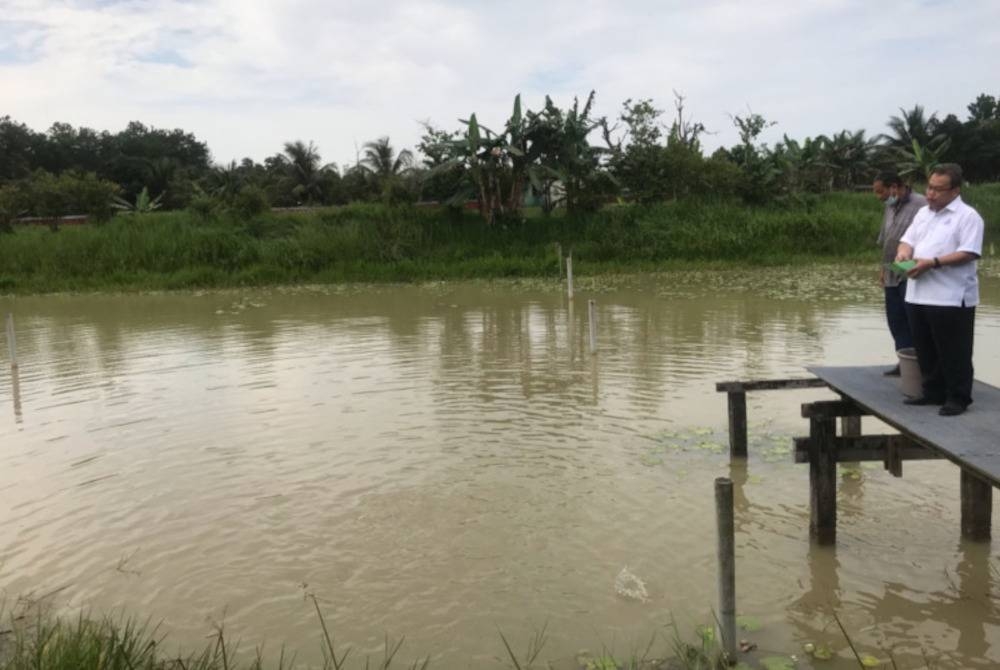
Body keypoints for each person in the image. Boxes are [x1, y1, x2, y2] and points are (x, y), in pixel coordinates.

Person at [895, 163, 984, 416]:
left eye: (938, 189)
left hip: (951, 296)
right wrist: (903, 254)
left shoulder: (968, 217)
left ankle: (958, 397)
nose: (930, 193)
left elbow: (969, 252)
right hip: (918, 292)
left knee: (954, 349)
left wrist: (932, 263)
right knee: (925, 346)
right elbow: (907, 240)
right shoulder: (924, 213)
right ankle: (933, 392)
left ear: (955, 191)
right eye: (929, 187)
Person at [873, 171, 926, 375]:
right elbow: (887, 239)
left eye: (881, 192)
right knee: (895, 319)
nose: (879, 197)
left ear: (894, 186)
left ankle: (921, 364)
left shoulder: (921, 204)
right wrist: (883, 269)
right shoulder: (890, 206)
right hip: (891, 273)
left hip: (911, 272)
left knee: (913, 319)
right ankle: (904, 363)